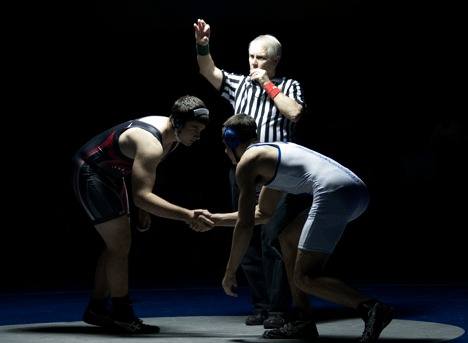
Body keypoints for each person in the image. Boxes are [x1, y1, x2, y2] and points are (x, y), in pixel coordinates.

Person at [209, 114, 394, 342]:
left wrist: (229, 272)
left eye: (225, 146)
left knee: (305, 277)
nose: (225, 153)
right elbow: (262, 214)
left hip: (334, 193)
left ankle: (371, 307)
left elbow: (245, 224)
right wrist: (214, 219)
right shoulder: (272, 154)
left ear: (230, 143)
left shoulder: (247, 162)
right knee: (287, 238)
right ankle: (302, 320)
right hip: (353, 191)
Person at [194, 18, 309, 328]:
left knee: (272, 239)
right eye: (251, 57)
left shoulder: (287, 85)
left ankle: (278, 308)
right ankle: (260, 304)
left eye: (261, 57)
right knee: (246, 233)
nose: (254, 62)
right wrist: (203, 43)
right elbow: (208, 70)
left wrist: (268, 85)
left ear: (274, 60)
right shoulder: (239, 84)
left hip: (278, 175)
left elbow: (295, 112)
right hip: (243, 172)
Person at [72, 95, 214, 334]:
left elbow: (142, 182)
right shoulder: (152, 142)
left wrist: (143, 206)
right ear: (177, 122)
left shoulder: (172, 137)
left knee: (116, 245)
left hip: (114, 173)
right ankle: (121, 314)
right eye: (194, 128)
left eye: (201, 130)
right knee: (120, 244)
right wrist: (188, 215)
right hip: (91, 170)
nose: (198, 135)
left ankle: (97, 309)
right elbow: (141, 195)